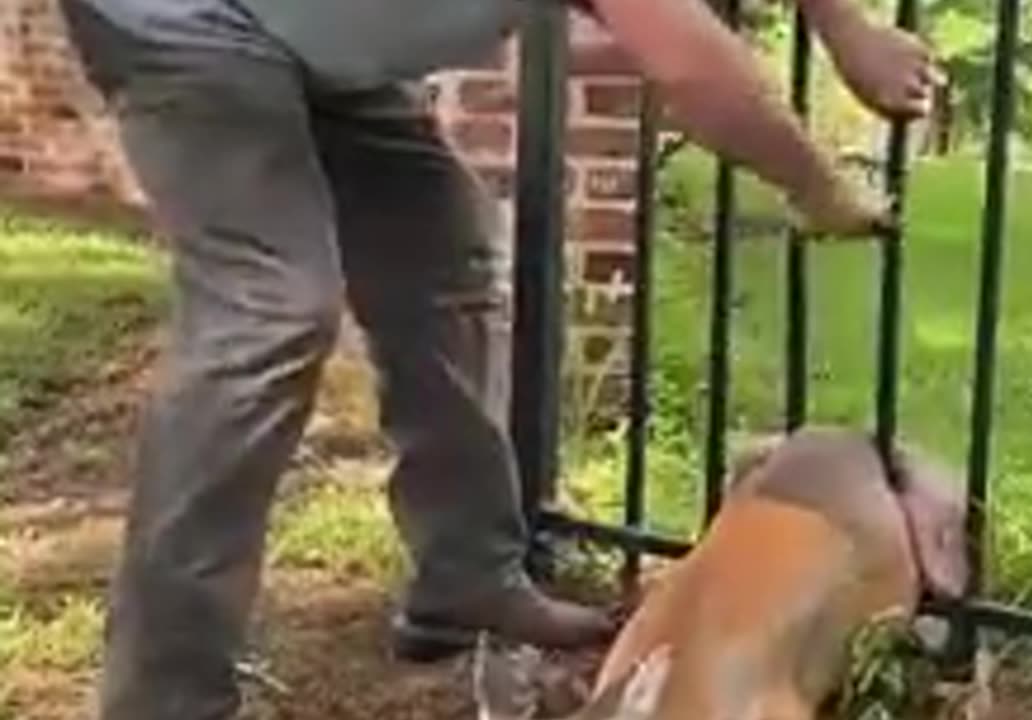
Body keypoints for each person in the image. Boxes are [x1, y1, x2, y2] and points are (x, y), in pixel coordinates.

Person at [55, 0, 941, 716]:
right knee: (271, 310)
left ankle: (465, 576)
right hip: (183, 19)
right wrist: (819, 188)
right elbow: (692, 67)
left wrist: (849, 31)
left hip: (318, 40)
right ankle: (161, 694)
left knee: (445, 263)